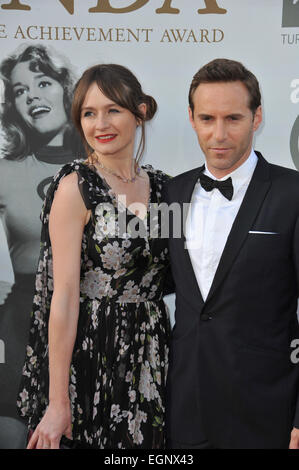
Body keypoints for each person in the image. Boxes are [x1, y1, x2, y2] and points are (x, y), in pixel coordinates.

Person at [17, 63, 172, 449]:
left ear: (141, 112)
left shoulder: (166, 186)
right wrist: (57, 403)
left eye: (113, 110)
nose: (100, 123)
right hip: (93, 353)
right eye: (88, 113)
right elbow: (64, 297)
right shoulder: (74, 186)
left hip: (152, 352)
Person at [164, 58, 299, 449]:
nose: (218, 134)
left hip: (266, 411)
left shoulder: (292, 194)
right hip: (186, 408)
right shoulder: (173, 194)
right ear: (191, 118)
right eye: (207, 118)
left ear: (257, 118)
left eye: (233, 119)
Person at [0, 44, 82, 429]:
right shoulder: (4, 173)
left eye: (43, 82)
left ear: (68, 89)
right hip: (20, 324)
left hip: (93, 319)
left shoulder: (112, 170)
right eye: (19, 90)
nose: (31, 95)